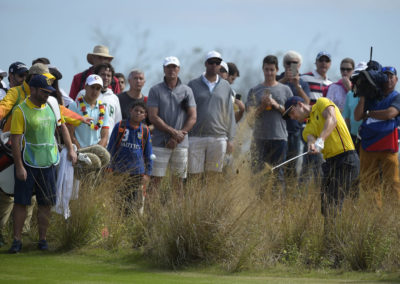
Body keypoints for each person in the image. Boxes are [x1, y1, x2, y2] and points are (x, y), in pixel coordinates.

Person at [8, 74, 77, 253]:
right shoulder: (20, 110)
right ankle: (17, 241)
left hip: (49, 163)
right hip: (28, 163)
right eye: (45, 91)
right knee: (22, 202)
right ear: (34, 90)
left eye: (49, 91)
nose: (48, 94)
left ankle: (43, 240)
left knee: (45, 203)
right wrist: (19, 167)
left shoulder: (52, 105)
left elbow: (62, 128)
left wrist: (70, 149)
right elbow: (15, 141)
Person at [283, 96, 359, 217]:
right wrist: (312, 145)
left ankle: (336, 235)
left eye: (292, 112)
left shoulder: (321, 103)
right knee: (326, 206)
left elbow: (332, 119)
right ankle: (329, 236)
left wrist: (321, 139)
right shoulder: (307, 128)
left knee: (334, 204)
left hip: (346, 159)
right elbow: (310, 138)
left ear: (300, 104)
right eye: (290, 117)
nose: (292, 117)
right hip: (330, 163)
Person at [147, 56, 196, 191]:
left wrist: (176, 137)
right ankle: (151, 212)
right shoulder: (155, 90)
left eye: (174, 67)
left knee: (178, 183)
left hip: (181, 143)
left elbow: (192, 117)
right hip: (159, 142)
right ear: (164, 69)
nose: (171, 69)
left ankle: (176, 212)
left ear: (179, 69)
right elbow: (153, 116)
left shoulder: (187, 91)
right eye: (168, 67)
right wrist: (174, 133)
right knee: (155, 181)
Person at [354, 66, 400, 207]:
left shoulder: (397, 96)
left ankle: (394, 214)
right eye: (384, 76)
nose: (387, 79)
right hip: (368, 145)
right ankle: (373, 213)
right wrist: (362, 94)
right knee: (368, 182)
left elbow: (390, 114)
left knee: (392, 182)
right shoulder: (371, 95)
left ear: (396, 80)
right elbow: (357, 116)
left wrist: (369, 113)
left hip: (388, 145)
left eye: (390, 76)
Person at [246, 55, 293, 189]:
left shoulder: (285, 90)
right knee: (257, 174)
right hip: (259, 138)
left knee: (278, 174)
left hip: (279, 137)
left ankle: (277, 206)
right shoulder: (255, 90)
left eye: (272, 70)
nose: (269, 73)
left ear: (277, 70)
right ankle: (257, 205)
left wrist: (276, 105)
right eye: (267, 70)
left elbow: (291, 114)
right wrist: (261, 106)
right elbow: (249, 118)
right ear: (263, 69)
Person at [188, 51, 235, 176]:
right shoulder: (192, 85)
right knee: (194, 177)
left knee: (213, 176)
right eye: (211, 62)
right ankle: (195, 197)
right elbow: (186, 111)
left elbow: (229, 113)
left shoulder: (226, 86)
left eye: (217, 62)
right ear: (205, 64)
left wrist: (231, 139)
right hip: (195, 136)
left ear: (220, 65)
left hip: (218, 137)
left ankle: (210, 197)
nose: (214, 65)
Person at [107, 101, 152, 210]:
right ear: (130, 111)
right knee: (117, 200)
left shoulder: (145, 130)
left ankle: (129, 223)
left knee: (133, 202)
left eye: (141, 112)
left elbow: (149, 153)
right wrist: (109, 167)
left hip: (137, 173)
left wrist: (148, 174)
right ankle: (117, 222)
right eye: (136, 110)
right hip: (119, 171)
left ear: (145, 115)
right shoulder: (120, 126)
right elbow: (111, 148)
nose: (138, 113)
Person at [300, 51, 333, 184]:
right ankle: (305, 191)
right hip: (306, 125)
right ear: (316, 62)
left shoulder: (331, 84)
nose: (323, 63)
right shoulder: (305, 78)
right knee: (311, 161)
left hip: (323, 128)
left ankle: (310, 190)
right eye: (321, 60)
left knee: (314, 162)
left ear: (330, 64)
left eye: (326, 61)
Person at [278, 51, 311, 178]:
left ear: (299, 65)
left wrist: (297, 86)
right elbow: (270, 91)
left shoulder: (302, 82)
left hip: (295, 128)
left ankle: (290, 192)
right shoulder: (278, 78)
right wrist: (285, 79)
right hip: (280, 127)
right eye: (288, 63)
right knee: (279, 163)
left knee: (292, 162)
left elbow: (307, 102)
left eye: (294, 63)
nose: (291, 65)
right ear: (283, 64)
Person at [68, 74, 110, 148]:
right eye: (92, 87)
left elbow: (105, 136)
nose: (95, 91)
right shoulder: (74, 106)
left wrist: (96, 152)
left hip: (96, 153)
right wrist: (80, 151)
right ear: (85, 87)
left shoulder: (104, 108)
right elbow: (70, 133)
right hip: (77, 151)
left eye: (98, 88)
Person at [343, 62, 368, 149]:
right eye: (357, 76)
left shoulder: (373, 96)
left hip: (368, 137)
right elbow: (347, 119)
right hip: (353, 137)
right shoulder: (350, 94)